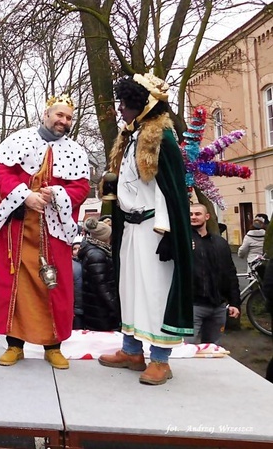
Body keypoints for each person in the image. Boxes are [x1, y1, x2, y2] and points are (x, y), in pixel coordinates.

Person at [98, 73, 193, 386]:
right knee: (130, 290)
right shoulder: (129, 139)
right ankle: (131, 351)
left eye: (125, 104)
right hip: (131, 230)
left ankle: (161, 360)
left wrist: (168, 232)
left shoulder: (161, 140)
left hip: (155, 230)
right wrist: (109, 214)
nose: (120, 110)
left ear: (142, 104)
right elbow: (119, 182)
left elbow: (172, 190)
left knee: (154, 293)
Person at [0, 94, 90, 370]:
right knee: (16, 286)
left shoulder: (76, 152)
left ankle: (53, 346)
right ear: (46, 114)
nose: (64, 121)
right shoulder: (19, 140)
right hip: (19, 228)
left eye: (69, 117)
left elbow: (81, 188)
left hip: (53, 230)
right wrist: (25, 196)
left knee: (54, 285)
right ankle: (14, 345)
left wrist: (58, 193)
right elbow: (1, 173)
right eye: (59, 115)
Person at [188, 203, 240, 344]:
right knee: (185, 350)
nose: (193, 217)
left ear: (207, 216)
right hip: (193, 306)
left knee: (212, 351)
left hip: (218, 307)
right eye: (190, 214)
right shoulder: (183, 241)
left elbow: (230, 273)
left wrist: (235, 303)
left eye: (197, 214)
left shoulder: (220, 243)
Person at [78, 217, 120, 331]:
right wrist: (115, 306)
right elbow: (101, 285)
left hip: (97, 307)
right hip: (100, 309)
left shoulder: (96, 250)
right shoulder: (97, 255)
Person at [71, 236, 83, 330]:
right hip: (77, 309)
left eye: (79, 248)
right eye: (74, 249)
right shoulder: (74, 266)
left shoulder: (84, 263)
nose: (77, 251)